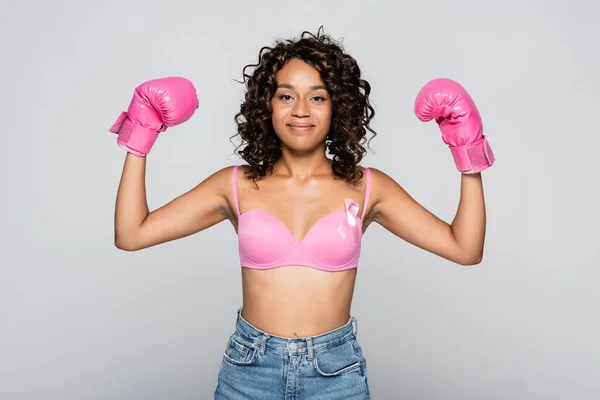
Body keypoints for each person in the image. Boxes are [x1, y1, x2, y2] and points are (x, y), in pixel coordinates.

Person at [109, 28, 494, 400]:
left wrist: (468, 154)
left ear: (337, 106)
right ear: (268, 104)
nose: (300, 111)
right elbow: (132, 234)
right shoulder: (234, 185)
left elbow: (464, 248)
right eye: (286, 96)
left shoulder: (368, 187)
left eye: (317, 97)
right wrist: (140, 137)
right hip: (249, 370)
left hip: (335, 374)